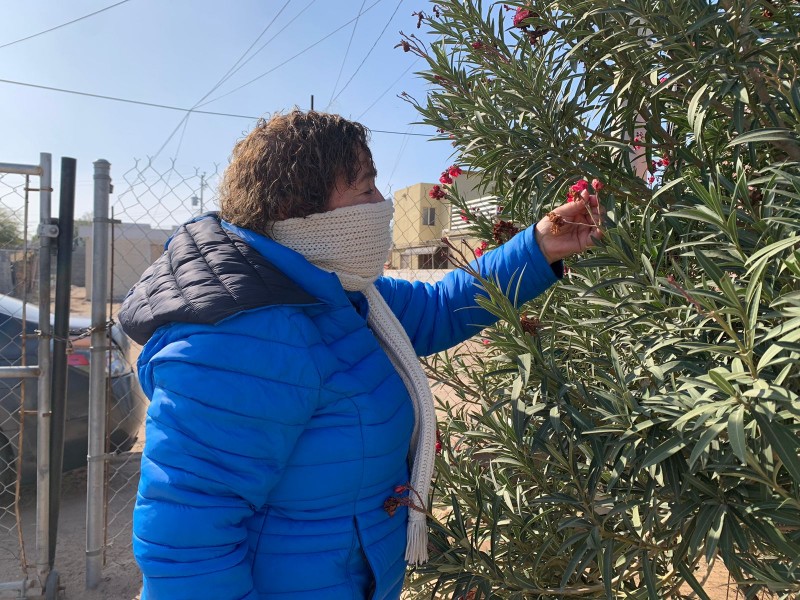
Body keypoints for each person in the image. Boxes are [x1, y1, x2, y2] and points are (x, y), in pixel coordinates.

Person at [119, 110, 603, 600]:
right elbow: (187, 544)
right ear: (299, 207)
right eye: (366, 188)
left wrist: (539, 247)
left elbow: (440, 306)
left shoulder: (341, 295)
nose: (383, 204)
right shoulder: (241, 337)